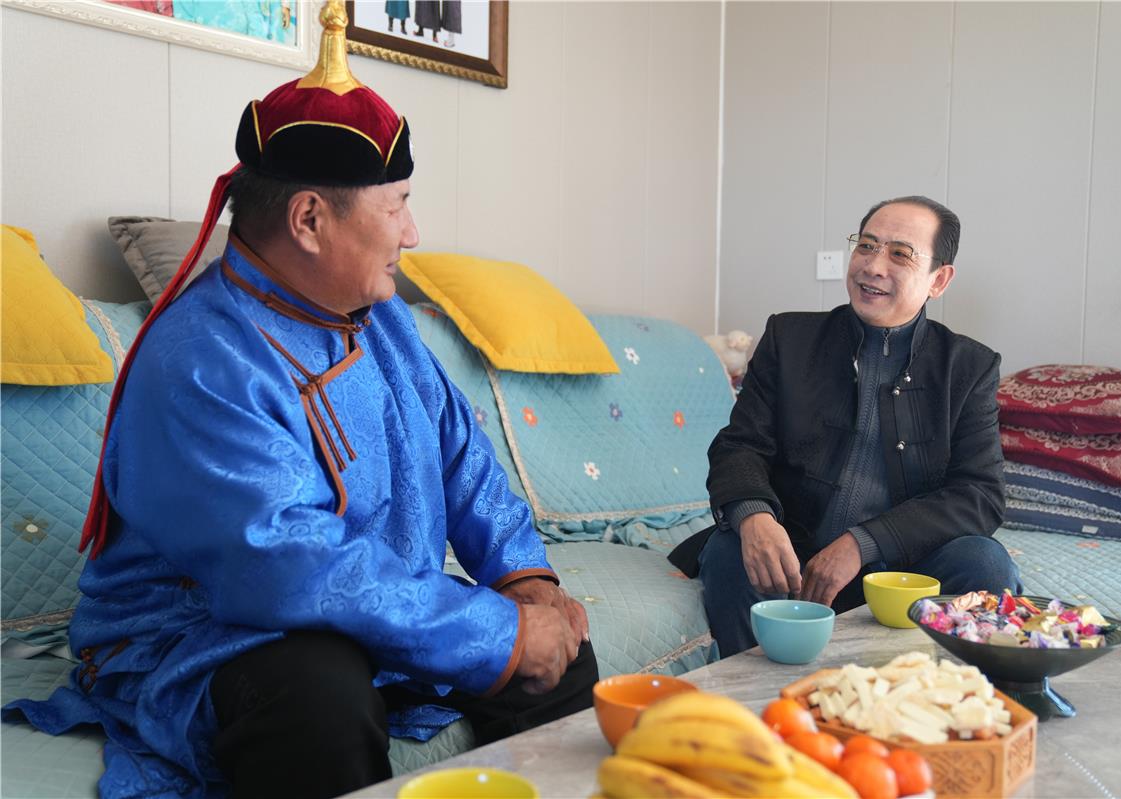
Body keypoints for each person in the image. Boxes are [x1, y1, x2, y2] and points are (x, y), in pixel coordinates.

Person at [3, 4, 596, 798]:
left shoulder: (381, 318)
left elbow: (460, 452)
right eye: (396, 205)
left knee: (562, 651)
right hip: (204, 632)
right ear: (310, 218)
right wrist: (497, 633)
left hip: (355, 609)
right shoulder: (198, 358)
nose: (412, 232)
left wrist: (523, 581)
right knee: (320, 696)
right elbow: (283, 562)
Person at [670, 196, 1021, 658]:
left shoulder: (968, 367)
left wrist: (862, 544)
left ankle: (925, 695)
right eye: (866, 246)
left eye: (900, 254)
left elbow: (979, 494)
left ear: (938, 279)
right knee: (730, 552)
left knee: (986, 563)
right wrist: (754, 516)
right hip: (791, 553)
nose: (873, 266)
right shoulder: (789, 338)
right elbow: (740, 446)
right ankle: (757, 696)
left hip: (901, 570)